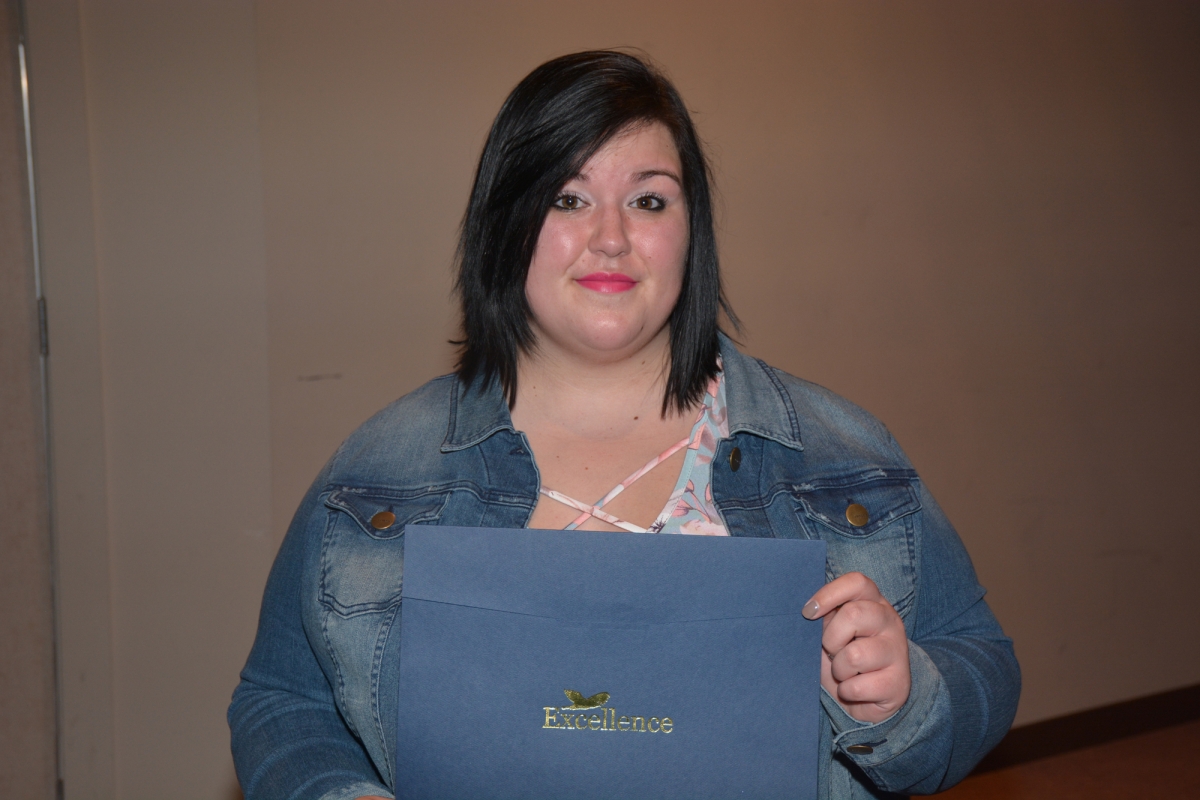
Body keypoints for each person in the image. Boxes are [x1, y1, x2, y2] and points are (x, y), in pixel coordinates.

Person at [229, 50, 1019, 800]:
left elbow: (981, 658)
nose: (611, 237)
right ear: (505, 224)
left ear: (690, 230)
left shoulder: (838, 454)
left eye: (648, 199)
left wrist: (907, 694)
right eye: (567, 198)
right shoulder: (380, 472)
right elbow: (281, 700)